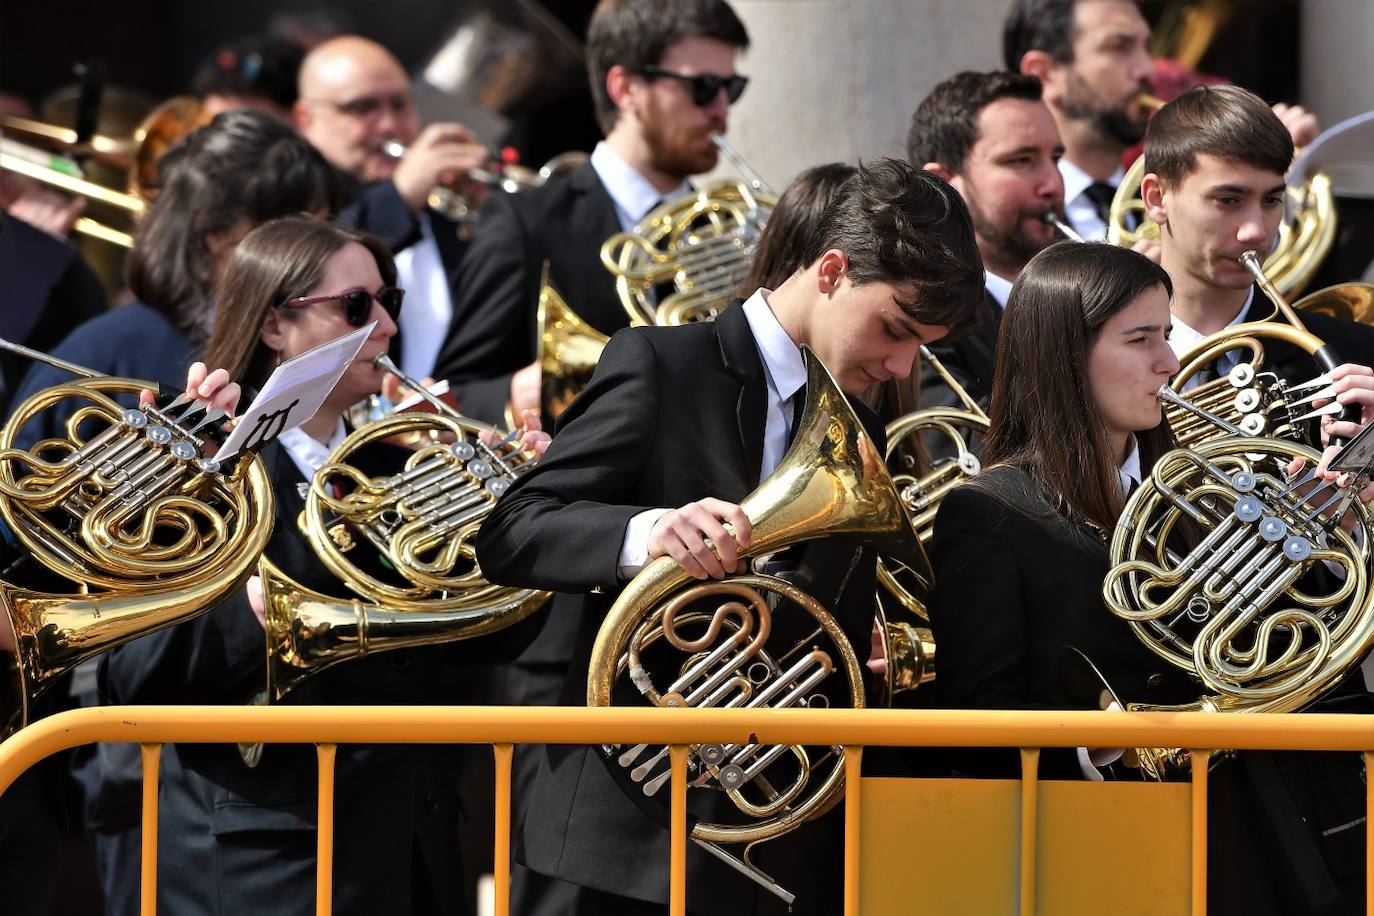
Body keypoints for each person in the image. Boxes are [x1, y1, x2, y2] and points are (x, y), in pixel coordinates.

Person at [476, 158, 984, 916]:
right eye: (895, 329)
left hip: (763, 835)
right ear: (833, 271)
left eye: (923, 345)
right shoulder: (662, 364)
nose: (902, 364)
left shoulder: (860, 424)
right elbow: (513, 530)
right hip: (618, 837)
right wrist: (648, 532)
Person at [99, 215, 547, 915]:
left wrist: (519, 519)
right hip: (272, 862)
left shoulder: (396, 461)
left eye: (389, 303)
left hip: (411, 852)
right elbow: (132, 675)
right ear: (275, 325)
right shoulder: (200, 467)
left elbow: (489, 641)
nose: (388, 329)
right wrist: (252, 619)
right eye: (357, 307)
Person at [928, 239, 1371, 914]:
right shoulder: (988, 511)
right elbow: (976, 722)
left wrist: (1333, 529)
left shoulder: (1214, 482)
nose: (1171, 361)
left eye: (1167, 334)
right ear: (1064, 357)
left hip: (1256, 826)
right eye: (1141, 340)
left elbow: (1292, 643)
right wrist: (1096, 744)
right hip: (1106, 848)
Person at [433, 0, 753, 426]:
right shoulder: (527, 221)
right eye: (703, 88)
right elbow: (461, 390)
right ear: (625, 88)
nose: (720, 110)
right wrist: (523, 392)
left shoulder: (727, 227)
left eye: (730, 89)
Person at [1003, 0, 1319, 240]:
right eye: (1119, 47)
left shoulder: (1170, 198)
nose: (1147, 70)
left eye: (1146, 48)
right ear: (1044, 74)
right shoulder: (1003, 223)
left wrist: (1274, 184)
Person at [1139, 84, 1374, 400]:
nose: (1256, 232)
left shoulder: (1357, 355)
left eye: (1271, 200)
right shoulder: (1092, 357)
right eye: (1228, 199)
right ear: (1157, 199)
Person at [294, 35, 487, 379]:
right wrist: (400, 195)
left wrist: (494, 216)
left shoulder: (441, 208)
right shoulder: (289, 194)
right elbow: (309, 267)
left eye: (400, 105)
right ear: (307, 118)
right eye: (362, 108)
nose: (389, 125)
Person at [907, 70, 1065, 410]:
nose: (1053, 183)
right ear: (944, 184)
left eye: (1055, 159)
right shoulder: (920, 324)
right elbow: (967, 453)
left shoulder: (1082, 299)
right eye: (1021, 160)